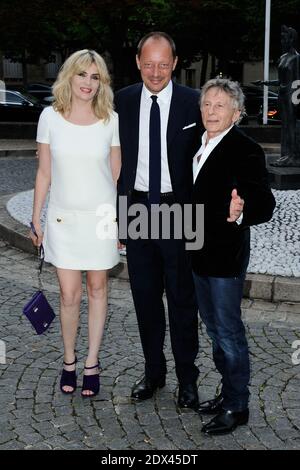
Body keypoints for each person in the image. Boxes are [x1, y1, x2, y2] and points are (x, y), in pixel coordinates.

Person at [115, 32, 244, 410]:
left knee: (183, 301)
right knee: (145, 299)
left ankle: (188, 380)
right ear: (138, 61)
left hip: (180, 210)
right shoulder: (122, 101)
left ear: (175, 62)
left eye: (164, 64)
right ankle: (154, 373)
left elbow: (225, 144)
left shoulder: (193, 103)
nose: (156, 72)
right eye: (149, 63)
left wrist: (238, 194)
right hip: (138, 209)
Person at [30, 49, 121, 398]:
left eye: (95, 77)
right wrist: (36, 218)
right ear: (69, 75)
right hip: (62, 218)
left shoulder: (110, 119)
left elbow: (116, 174)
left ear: (102, 83)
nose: (88, 82)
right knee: (69, 295)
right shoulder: (49, 117)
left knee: (98, 290)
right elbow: (43, 172)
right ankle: (69, 360)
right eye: (82, 74)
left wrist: (119, 222)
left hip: (100, 221)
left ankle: (92, 363)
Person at [191, 78, 276, 435]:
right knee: (213, 328)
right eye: (207, 104)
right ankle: (228, 391)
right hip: (197, 254)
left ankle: (237, 406)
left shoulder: (245, 149)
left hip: (226, 256)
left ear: (236, 113)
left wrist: (241, 210)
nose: (212, 110)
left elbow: (266, 204)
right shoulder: (196, 144)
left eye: (220, 105)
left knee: (228, 331)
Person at [257, 25, 300, 167]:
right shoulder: (283, 57)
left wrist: (296, 100)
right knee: (285, 126)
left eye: (285, 38)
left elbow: (297, 81)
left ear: (292, 39)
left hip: (291, 96)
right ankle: (285, 155)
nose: (282, 41)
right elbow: (282, 80)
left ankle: (292, 156)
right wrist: (265, 83)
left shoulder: (296, 58)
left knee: (291, 126)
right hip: (282, 95)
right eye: (281, 38)